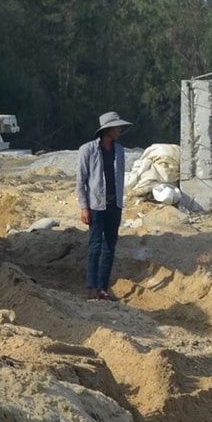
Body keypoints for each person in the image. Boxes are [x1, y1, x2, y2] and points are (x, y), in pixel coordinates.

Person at [78, 111, 132, 301]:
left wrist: (120, 203)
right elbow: (81, 181)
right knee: (95, 247)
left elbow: (120, 177)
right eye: (117, 127)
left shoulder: (119, 150)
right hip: (95, 206)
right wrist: (84, 207)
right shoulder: (87, 150)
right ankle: (92, 288)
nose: (120, 130)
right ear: (107, 130)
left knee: (110, 247)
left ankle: (103, 288)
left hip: (114, 206)